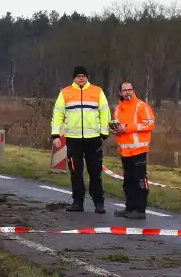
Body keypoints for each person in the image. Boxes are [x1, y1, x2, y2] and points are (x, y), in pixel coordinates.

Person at [51, 66, 111, 213]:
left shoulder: (97, 91)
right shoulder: (65, 93)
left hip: (93, 139)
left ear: (87, 77)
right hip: (73, 139)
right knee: (76, 173)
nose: (81, 78)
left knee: (95, 173)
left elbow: (105, 112)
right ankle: (78, 202)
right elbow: (58, 114)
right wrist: (55, 135)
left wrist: (104, 132)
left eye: (84, 76)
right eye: (78, 76)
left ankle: (99, 203)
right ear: (74, 78)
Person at [112, 81, 156, 219]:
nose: (127, 92)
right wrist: (116, 130)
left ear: (134, 90)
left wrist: (127, 128)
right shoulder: (118, 109)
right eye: (124, 90)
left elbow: (149, 124)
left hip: (139, 150)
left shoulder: (142, 106)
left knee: (140, 180)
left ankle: (140, 210)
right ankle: (129, 208)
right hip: (125, 151)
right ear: (120, 93)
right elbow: (119, 127)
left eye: (130, 90)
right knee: (128, 181)